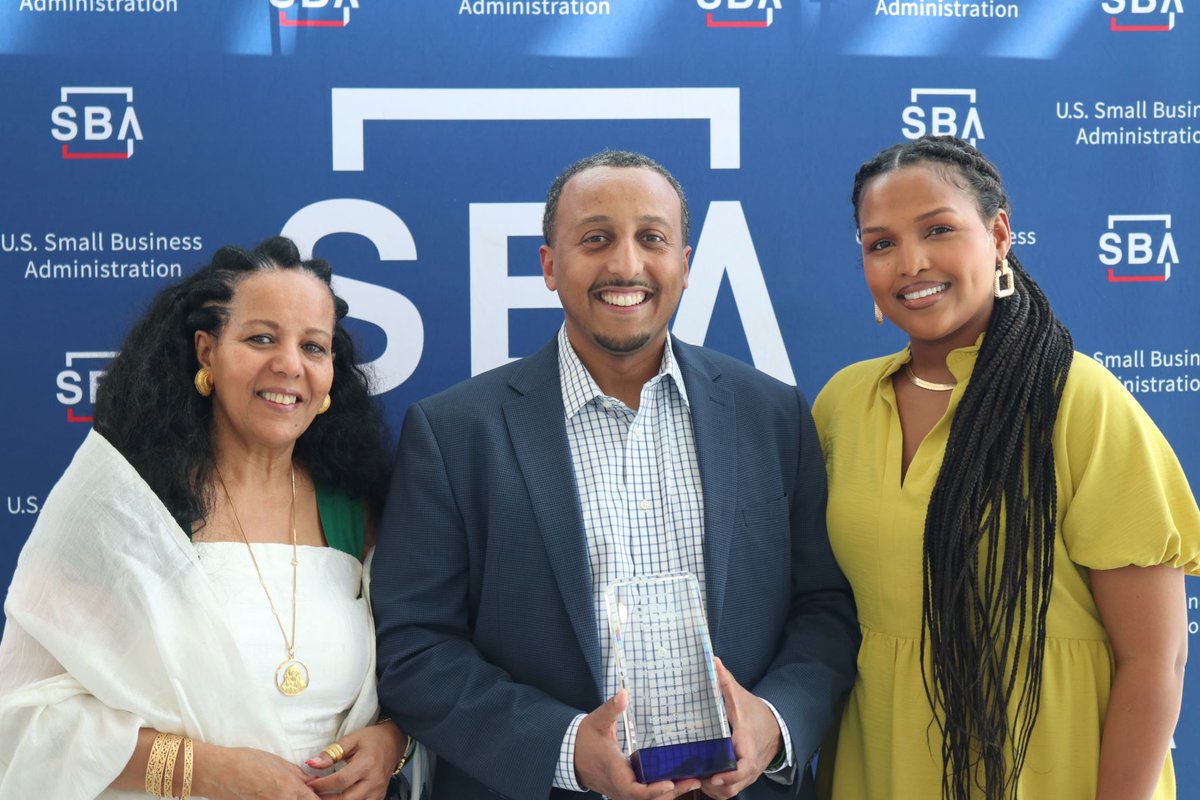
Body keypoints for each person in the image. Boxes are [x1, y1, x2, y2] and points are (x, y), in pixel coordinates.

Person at [371, 149, 859, 800]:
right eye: (595, 238)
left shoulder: (771, 415)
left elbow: (824, 610)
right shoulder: (456, 432)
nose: (626, 264)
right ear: (549, 265)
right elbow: (417, 648)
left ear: (686, 266)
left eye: (651, 238)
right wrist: (569, 749)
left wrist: (772, 721)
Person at [812, 135, 1200, 800]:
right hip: (877, 764)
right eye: (880, 244)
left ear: (997, 235)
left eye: (938, 229)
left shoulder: (1076, 401)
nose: (911, 262)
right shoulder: (844, 403)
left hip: (1048, 769)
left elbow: (1153, 659)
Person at [0, 237, 419, 799]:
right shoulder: (124, 510)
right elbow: (26, 717)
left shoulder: (355, 509)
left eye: (313, 347)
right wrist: (208, 771)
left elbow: (418, 673)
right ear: (206, 352)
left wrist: (393, 741)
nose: (289, 365)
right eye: (261, 338)